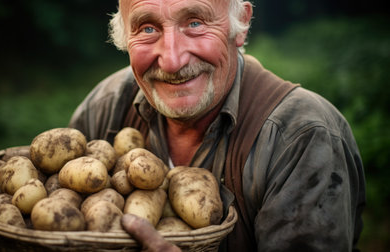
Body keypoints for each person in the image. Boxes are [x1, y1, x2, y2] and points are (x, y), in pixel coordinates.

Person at [69, 0, 366, 251]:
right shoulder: (105, 107)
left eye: (195, 23)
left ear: (241, 23)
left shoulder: (302, 137)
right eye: (148, 28)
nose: (172, 61)